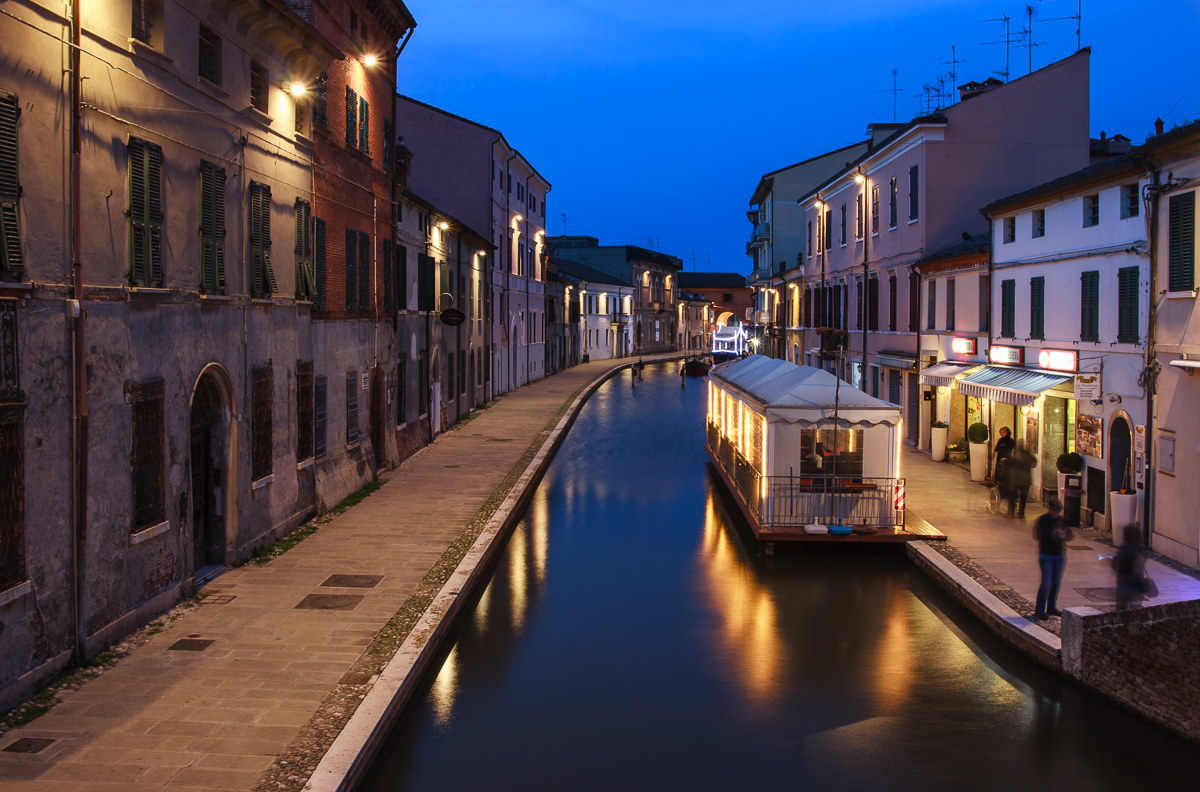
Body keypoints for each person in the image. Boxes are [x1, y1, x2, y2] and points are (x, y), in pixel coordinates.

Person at [1033, 497, 1071, 620]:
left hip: (1059, 555)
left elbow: (1070, 535)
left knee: (1056, 582)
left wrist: (1063, 535)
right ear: (1049, 509)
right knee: (1046, 582)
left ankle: (1051, 606)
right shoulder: (1042, 520)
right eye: (1054, 510)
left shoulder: (1062, 520)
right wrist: (1053, 534)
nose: (1056, 513)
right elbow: (1038, 535)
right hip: (1046, 555)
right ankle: (1039, 609)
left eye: (1057, 511)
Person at [1112, 523, 1155, 611]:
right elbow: (1139, 567)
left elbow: (1115, 564)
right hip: (1136, 586)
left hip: (1123, 585)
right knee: (1136, 610)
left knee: (1120, 609)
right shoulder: (1140, 549)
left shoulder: (1123, 548)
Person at [1006, 443, 1034, 518]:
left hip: (1015, 479)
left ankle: (1011, 511)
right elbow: (1034, 464)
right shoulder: (1028, 455)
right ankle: (1021, 513)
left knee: (1012, 495)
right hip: (1026, 479)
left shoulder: (1013, 454)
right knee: (1023, 497)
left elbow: (1008, 463)